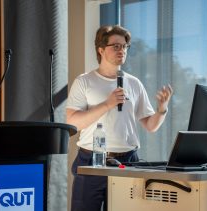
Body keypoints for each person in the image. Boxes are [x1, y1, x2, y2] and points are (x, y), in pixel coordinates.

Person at [66, 25, 173, 211]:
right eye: (116, 46)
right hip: (92, 160)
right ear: (101, 49)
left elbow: (150, 125)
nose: (121, 50)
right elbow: (73, 122)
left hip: (128, 162)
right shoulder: (84, 81)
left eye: (125, 46)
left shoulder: (134, 83)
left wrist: (162, 110)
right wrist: (107, 104)